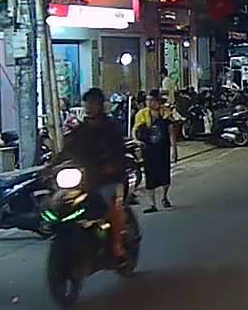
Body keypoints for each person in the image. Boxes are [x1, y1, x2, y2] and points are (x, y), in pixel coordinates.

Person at [62, 89, 129, 259]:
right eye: (87, 104)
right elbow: (68, 150)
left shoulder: (111, 128)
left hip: (110, 178)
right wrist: (52, 165)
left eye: (92, 103)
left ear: (100, 105)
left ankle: (118, 244)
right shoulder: (81, 129)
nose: (89, 107)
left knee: (111, 205)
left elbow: (120, 152)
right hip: (88, 179)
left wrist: (111, 166)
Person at [132, 90, 174, 212]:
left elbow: (171, 132)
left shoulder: (165, 113)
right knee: (150, 177)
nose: (149, 103)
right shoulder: (142, 114)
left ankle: (164, 197)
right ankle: (152, 204)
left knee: (165, 176)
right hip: (148, 150)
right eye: (147, 100)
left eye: (152, 100)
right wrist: (136, 140)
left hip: (163, 149)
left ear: (158, 101)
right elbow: (135, 129)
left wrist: (174, 149)